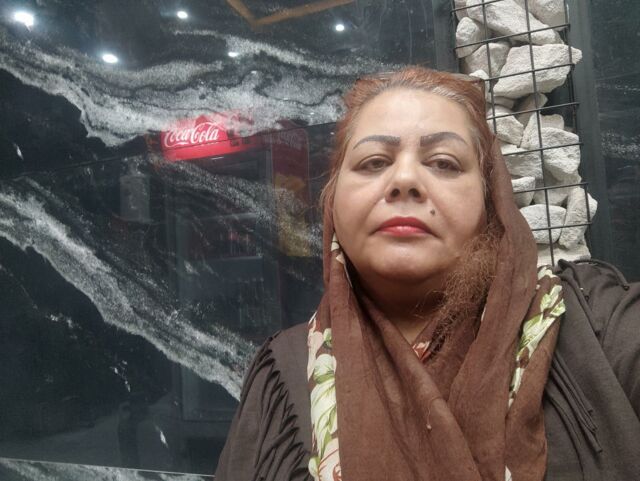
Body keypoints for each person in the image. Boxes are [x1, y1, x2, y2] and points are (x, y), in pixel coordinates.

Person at [215, 67, 640, 481]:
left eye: (443, 163)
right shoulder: (284, 372)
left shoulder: (597, 329)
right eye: (373, 162)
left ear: (491, 201)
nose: (404, 179)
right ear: (333, 202)